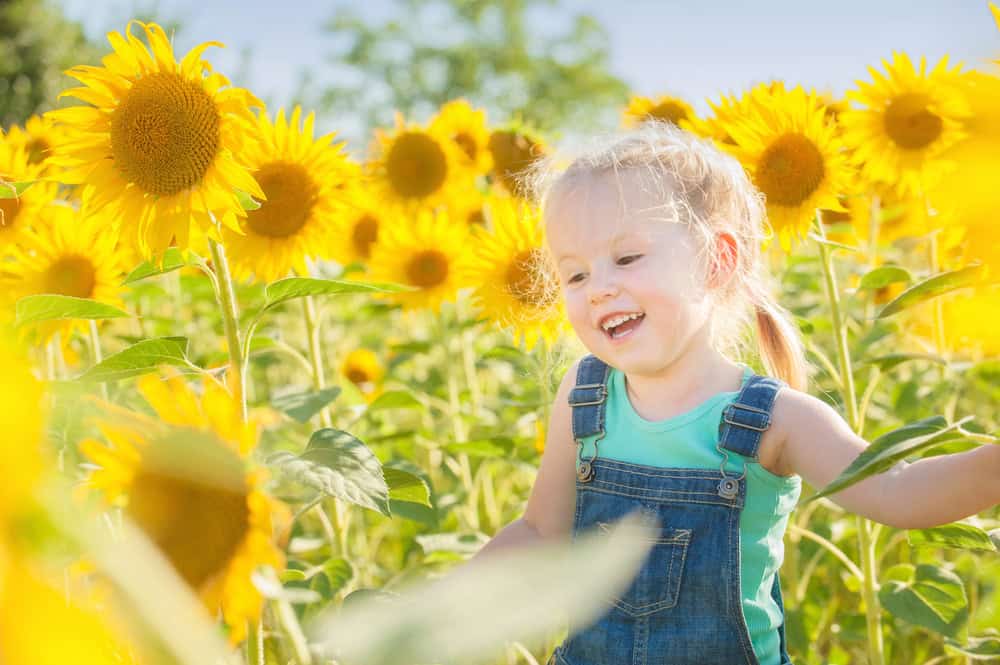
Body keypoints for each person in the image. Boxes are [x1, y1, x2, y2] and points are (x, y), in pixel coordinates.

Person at [467, 122, 1000, 665]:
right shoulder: (584, 398)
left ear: (716, 261)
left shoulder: (774, 419)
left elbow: (899, 492)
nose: (599, 287)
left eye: (626, 259)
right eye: (575, 275)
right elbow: (540, 531)